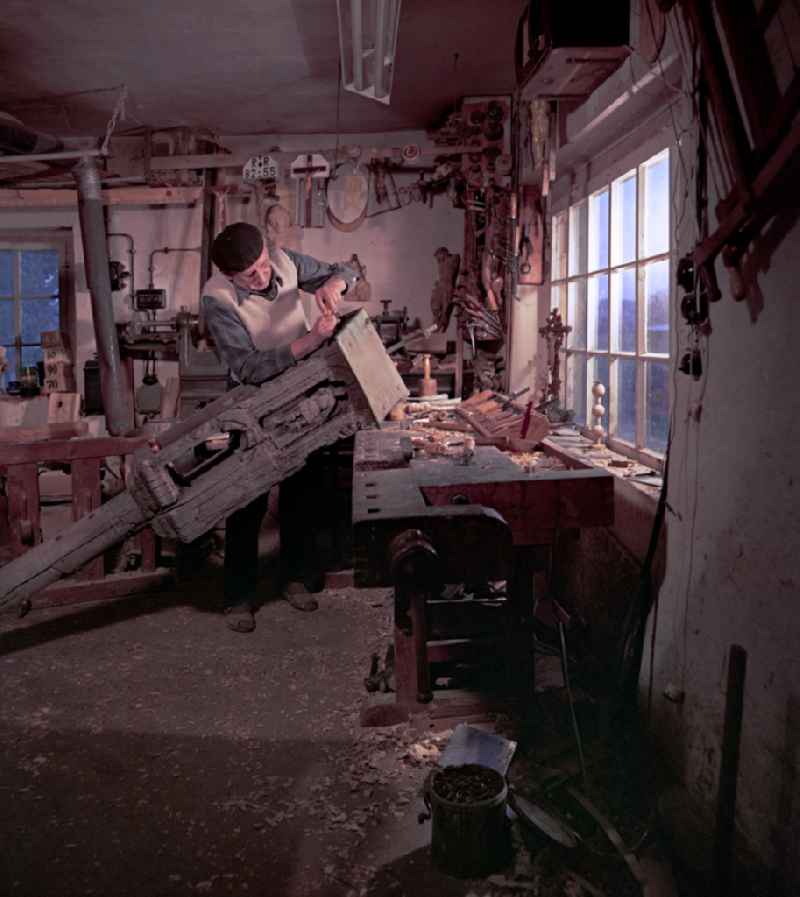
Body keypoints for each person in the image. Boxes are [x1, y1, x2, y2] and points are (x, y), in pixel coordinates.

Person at [201, 221, 358, 632]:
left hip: (303, 393)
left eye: (264, 264)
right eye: (250, 275)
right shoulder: (217, 300)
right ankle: (238, 596)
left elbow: (345, 270)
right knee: (245, 499)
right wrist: (312, 340)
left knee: (304, 492)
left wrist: (334, 286)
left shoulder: (285, 262)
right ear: (228, 276)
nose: (264, 276)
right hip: (252, 404)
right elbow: (249, 367)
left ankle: (296, 578)